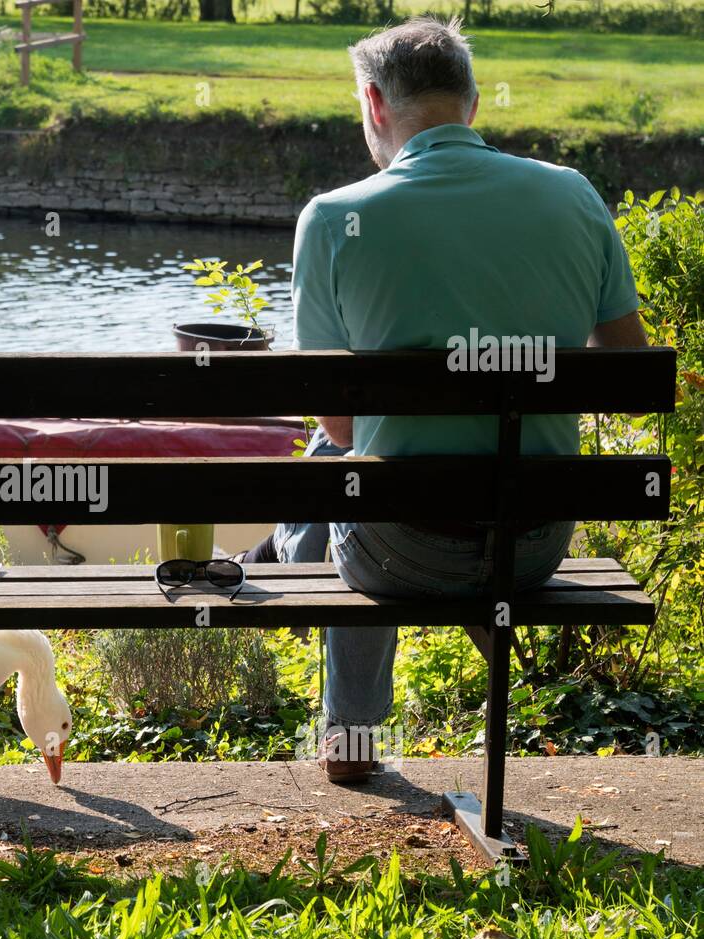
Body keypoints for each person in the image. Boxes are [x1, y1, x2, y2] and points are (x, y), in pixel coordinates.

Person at [238, 16, 648, 782]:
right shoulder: (574, 195)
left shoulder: (332, 220)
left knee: (342, 459)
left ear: (373, 104)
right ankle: (438, 599)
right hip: (532, 541)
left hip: (403, 548)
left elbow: (338, 420)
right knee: (387, 467)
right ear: (474, 104)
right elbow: (627, 375)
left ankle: (349, 732)